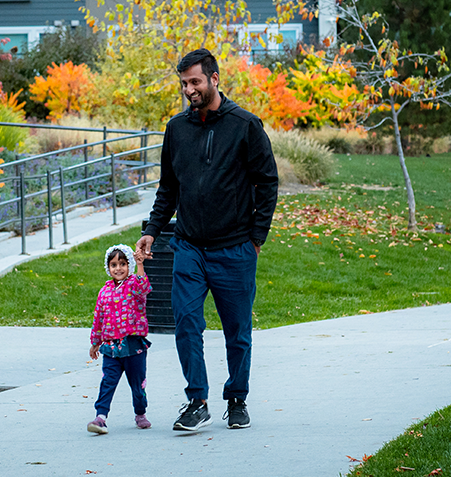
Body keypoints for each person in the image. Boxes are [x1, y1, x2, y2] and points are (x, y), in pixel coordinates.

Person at [135, 48, 278, 431]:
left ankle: (237, 398)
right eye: (183, 83)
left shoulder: (245, 125)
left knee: (237, 332)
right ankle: (197, 399)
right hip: (189, 246)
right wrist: (151, 230)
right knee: (185, 322)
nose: (189, 89)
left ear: (215, 79)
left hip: (235, 248)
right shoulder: (176, 128)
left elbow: (267, 183)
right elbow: (169, 188)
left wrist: (256, 238)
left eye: (195, 81)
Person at [86, 244, 154, 434]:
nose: (118, 268)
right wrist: (95, 342)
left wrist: (140, 265)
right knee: (107, 381)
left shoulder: (134, 285)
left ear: (129, 265)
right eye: (114, 264)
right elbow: (98, 318)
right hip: (111, 348)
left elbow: (144, 287)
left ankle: (140, 413)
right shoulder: (104, 292)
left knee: (137, 384)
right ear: (108, 268)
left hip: (133, 347)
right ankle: (101, 417)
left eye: (123, 264)